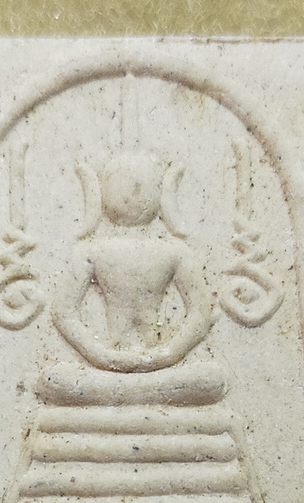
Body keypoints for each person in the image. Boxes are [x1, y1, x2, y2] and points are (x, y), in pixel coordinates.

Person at [52, 150, 212, 373]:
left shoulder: (176, 251)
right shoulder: (90, 251)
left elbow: (201, 312)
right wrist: (101, 356)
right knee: (59, 376)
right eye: (120, 187)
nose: (132, 194)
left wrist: (168, 354)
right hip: (107, 364)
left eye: (142, 186)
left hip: (160, 365)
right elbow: (63, 312)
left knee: (207, 377)